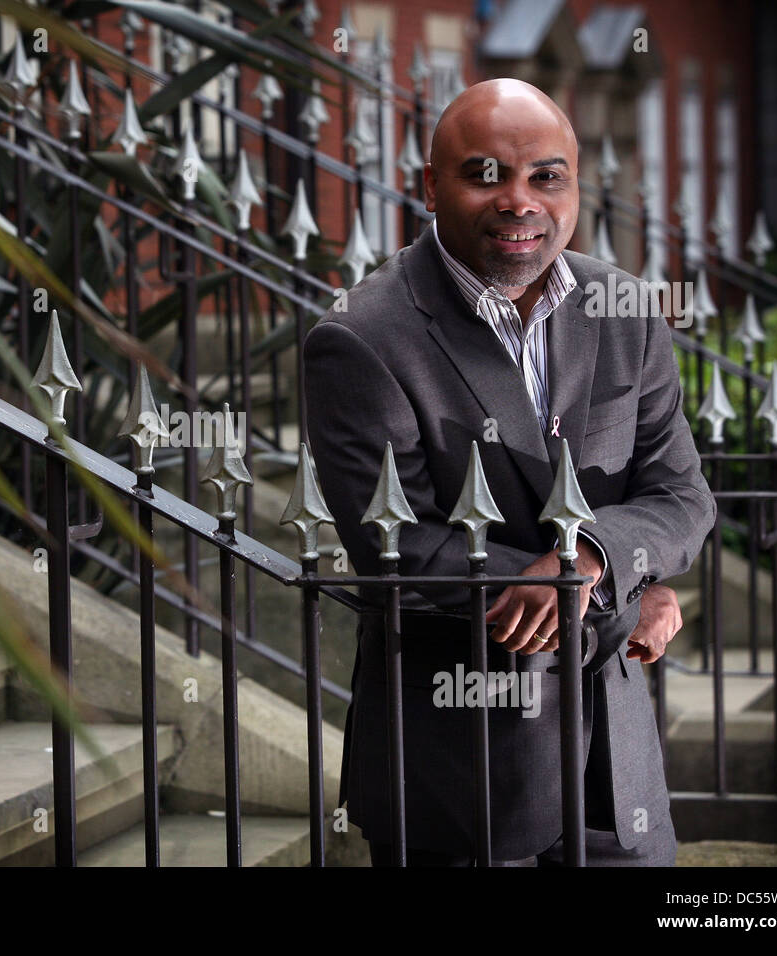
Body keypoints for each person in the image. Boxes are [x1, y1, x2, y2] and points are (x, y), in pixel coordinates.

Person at [302, 78, 716, 866]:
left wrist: (598, 558)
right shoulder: (362, 339)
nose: (518, 199)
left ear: (574, 185)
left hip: (617, 767)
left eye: (545, 176)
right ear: (430, 186)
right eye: (484, 174)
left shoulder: (624, 307)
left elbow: (682, 495)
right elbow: (399, 551)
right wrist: (628, 597)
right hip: (463, 774)